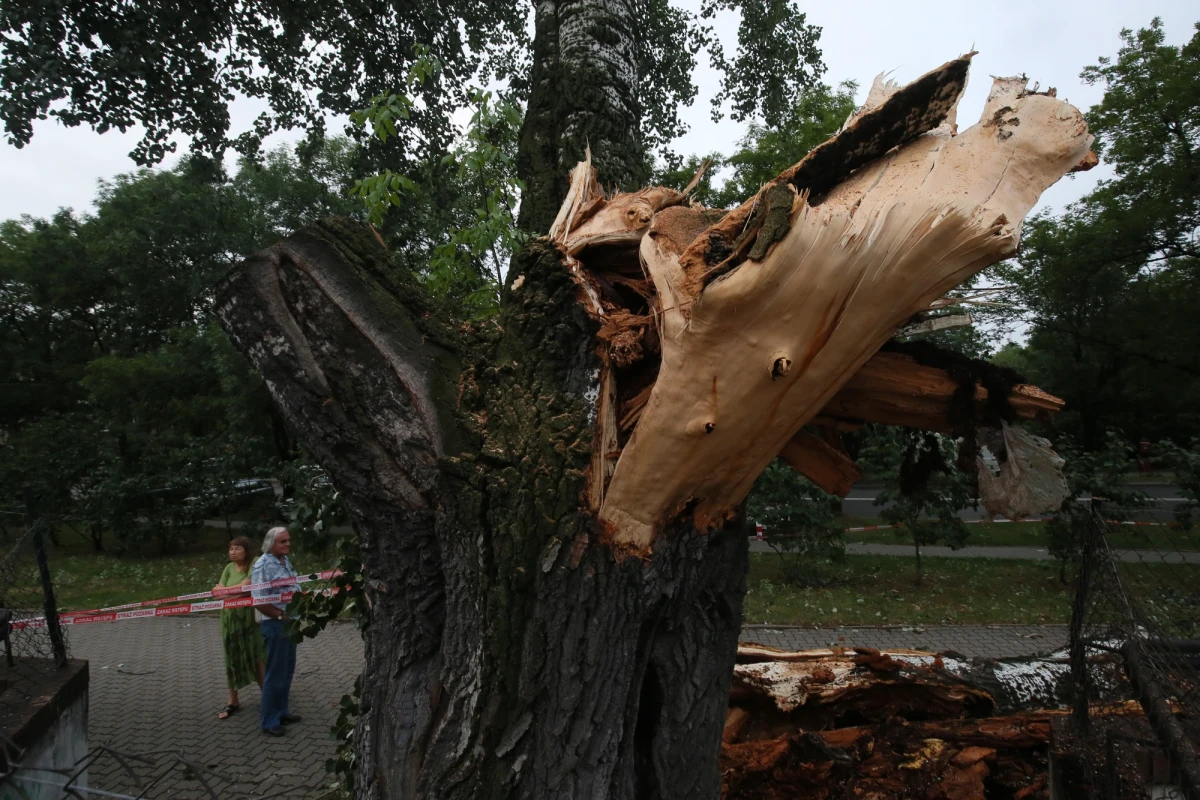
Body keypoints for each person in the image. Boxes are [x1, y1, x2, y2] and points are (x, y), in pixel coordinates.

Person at [251, 526, 302, 736]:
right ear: (271, 543)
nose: (288, 544)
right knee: (275, 672)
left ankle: (281, 711)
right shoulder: (262, 565)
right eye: (283, 541)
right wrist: (280, 616)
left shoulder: (284, 560)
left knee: (287, 670)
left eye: (289, 540)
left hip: (290, 622)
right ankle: (269, 720)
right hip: (275, 624)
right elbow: (259, 600)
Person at [214, 536, 266, 720]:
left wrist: (227, 592)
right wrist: (234, 592)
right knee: (232, 656)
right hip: (229, 618)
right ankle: (233, 700)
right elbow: (216, 592)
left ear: (246, 550)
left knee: (257, 655)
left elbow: (248, 587)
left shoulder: (254, 563)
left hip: (248, 619)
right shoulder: (228, 568)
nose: (232, 552)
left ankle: (267, 696)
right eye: (230, 549)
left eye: (237, 549)